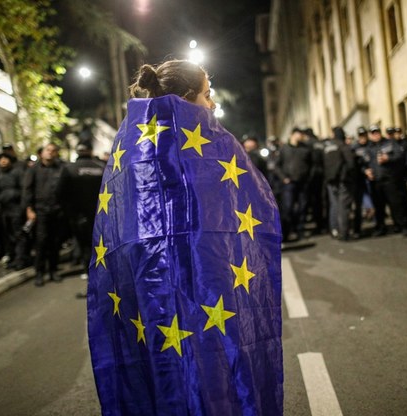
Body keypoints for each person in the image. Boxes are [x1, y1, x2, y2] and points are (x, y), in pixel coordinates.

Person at [88, 60, 283, 415]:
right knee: (212, 365)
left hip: (151, 286)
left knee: (167, 366)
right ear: (185, 99)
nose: (211, 104)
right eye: (207, 95)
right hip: (207, 285)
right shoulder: (210, 145)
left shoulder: (133, 147)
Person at [57, 140, 105, 282]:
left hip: (78, 216)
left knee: (85, 247)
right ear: (90, 151)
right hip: (101, 214)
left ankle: (89, 273)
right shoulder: (101, 167)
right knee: (101, 245)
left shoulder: (69, 169)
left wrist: (69, 212)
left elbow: (60, 192)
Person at [22, 142, 64, 286]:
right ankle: (39, 272)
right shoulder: (33, 170)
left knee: (55, 242)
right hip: (40, 211)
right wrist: (29, 209)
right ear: (42, 152)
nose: (50, 153)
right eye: (48, 150)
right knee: (41, 242)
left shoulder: (60, 169)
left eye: (53, 151)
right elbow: (27, 190)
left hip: (56, 210)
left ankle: (53, 270)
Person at [276, 127, 313, 241]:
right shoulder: (284, 149)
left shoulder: (305, 149)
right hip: (289, 183)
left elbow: (311, 165)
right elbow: (277, 166)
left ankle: (300, 230)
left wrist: (308, 178)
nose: (300, 136)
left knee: (302, 207)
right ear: (292, 135)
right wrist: (284, 178)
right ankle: (288, 231)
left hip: (302, 182)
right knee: (288, 207)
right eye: (298, 134)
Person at [323, 127, 355, 240]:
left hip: (330, 181)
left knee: (334, 206)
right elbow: (350, 163)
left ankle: (334, 229)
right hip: (343, 181)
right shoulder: (343, 146)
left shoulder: (327, 148)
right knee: (343, 207)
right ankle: (344, 232)